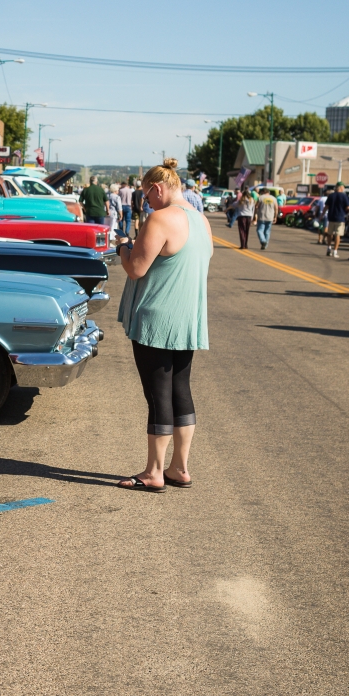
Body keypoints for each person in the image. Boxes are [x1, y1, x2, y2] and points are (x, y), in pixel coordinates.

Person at [115, 159, 212, 491]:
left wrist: (123, 248)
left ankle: (154, 472)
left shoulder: (160, 219)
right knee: (180, 390)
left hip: (157, 318)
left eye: (146, 196)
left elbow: (136, 269)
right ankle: (179, 468)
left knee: (158, 395)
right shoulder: (201, 220)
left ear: (157, 188)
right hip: (187, 318)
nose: (147, 203)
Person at [324, 182, 349, 257]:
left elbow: (326, 206)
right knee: (338, 235)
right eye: (343, 187)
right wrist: (348, 211)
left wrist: (322, 215)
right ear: (341, 187)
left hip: (331, 217)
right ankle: (335, 251)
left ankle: (329, 248)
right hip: (340, 218)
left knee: (330, 233)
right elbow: (348, 207)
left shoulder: (331, 195)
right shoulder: (344, 196)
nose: (344, 189)